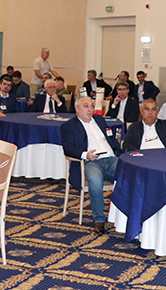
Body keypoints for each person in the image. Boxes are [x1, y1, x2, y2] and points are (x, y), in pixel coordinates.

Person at [61, 96, 121, 233]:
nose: (90, 109)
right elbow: (68, 148)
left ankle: (124, 216)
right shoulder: (68, 126)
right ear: (77, 108)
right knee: (95, 180)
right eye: (86, 106)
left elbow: (111, 139)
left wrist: (119, 153)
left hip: (111, 159)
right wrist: (85, 155)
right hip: (91, 162)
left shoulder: (99, 120)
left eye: (92, 106)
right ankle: (99, 220)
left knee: (130, 175)